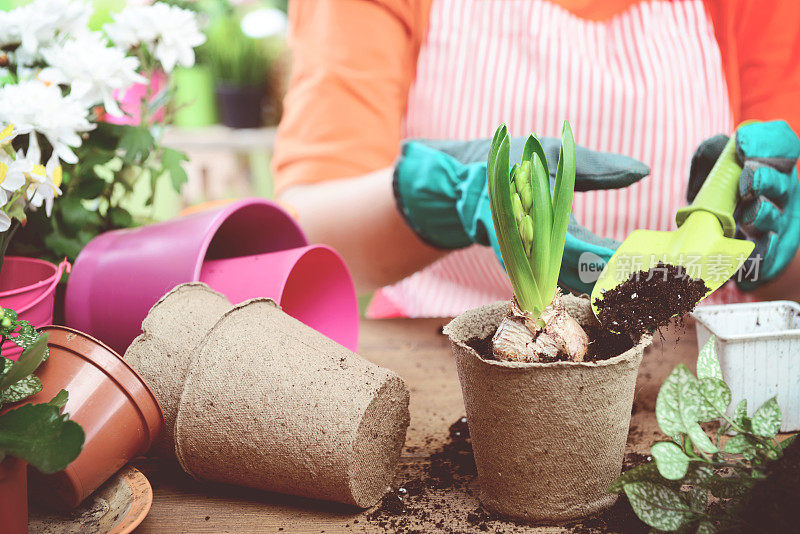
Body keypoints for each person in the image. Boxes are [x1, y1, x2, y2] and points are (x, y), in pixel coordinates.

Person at [273, 0, 800, 318]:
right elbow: (311, 232)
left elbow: (787, 266)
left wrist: (777, 244)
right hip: (452, 355)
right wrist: (438, 198)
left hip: (701, 367)